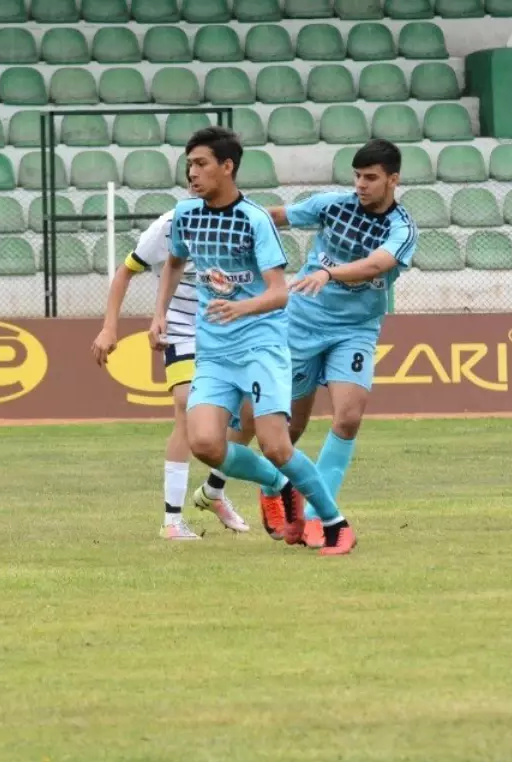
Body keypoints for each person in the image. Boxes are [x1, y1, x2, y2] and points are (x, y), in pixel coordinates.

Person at [150, 126, 357, 556]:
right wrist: (160, 315)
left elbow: (280, 292)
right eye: (189, 165)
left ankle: (336, 523)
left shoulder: (255, 220)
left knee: (277, 445)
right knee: (205, 442)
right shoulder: (186, 215)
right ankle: (279, 484)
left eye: (201, 164)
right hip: (215, 351)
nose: (192, 173)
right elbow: (173, 264)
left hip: (260, 346)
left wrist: (240, 308)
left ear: (227, 167)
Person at [261, 139, 416, 552]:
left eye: (371, 177)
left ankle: (317, 517)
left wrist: (330, 274)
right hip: (301, 325)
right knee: (286, 432)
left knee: (348, 418)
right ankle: (274, 486)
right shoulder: (332, 204)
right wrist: (229, 218)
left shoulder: (401, 228)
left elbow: (376, 265)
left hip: (356, 331)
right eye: (357, 176)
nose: (361, 185)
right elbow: (278, 216)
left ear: (393, 179)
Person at [92, 208, 258, 541]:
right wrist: (110, 327)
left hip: (229, 326)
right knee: (186, 408)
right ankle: (172, 521)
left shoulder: (244, 219)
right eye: (193, 168)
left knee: (250, 414)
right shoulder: (167, 227)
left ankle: (213, 490)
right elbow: (125, 272)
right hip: (181, 328)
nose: (197, 177)